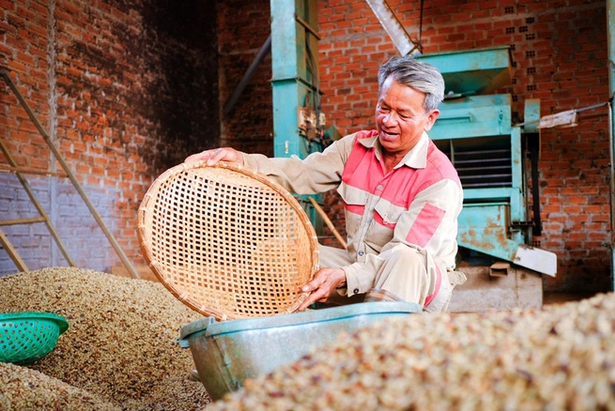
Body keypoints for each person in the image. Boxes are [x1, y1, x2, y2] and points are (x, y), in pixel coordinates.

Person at [185, 55, 465, 313]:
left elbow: (404, 256)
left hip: (412, 289)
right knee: (275, 256)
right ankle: (262, 345)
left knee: (406, 259)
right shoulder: (355, 148)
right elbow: (302, 172)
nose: (388, 121)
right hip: (358, 270)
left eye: (403, 115)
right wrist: (243, 161)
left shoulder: (439, 181)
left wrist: (344, 276)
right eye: (383, 107)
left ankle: (379, 359)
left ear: (430, 119)